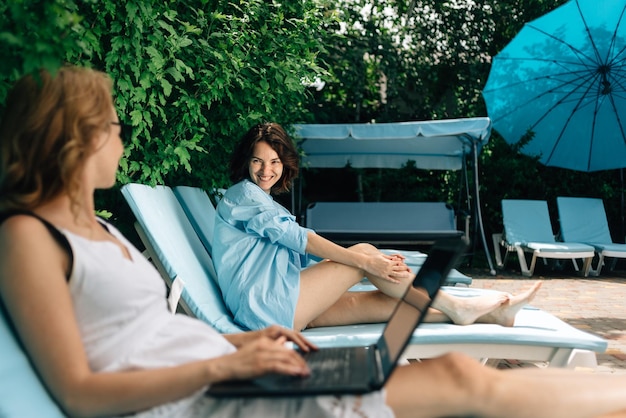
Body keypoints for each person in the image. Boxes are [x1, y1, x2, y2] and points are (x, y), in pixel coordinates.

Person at [4, 66, 626, 418]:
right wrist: (228, 360)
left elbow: (144, 332)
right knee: (458, 376)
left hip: (241, 353)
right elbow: (80, 394)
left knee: (413, 335)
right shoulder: (28, 238)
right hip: (211, 393)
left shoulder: (102, 231)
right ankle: (461, 303)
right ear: (73, 137)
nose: (121, 137)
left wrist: (243, 343)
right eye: (112, 125)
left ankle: (457, 304)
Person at [213, 122, 541, 331]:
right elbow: (302, 240)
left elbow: (299, 257)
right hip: (266, 307)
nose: (266, 169)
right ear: (246, 161)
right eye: (258, 160)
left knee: (377, 303)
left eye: (274, 161)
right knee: (364, 253)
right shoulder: (244, 195)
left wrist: (376, 264)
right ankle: (457, 305)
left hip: (281, 303)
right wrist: (368, 262)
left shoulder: (263, 200)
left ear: (284, 163)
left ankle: (488, 314)